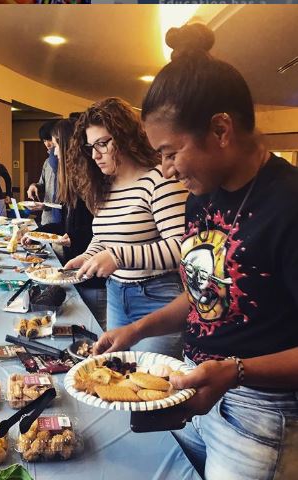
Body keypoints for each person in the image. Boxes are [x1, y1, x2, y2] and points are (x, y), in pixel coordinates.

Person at [93, 24, 298, 480]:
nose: (165, 172)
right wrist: (136, 330)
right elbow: (205, 292)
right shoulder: (204, 196)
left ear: (220, 129)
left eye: (170, 153)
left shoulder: (287, 206)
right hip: (193, 389)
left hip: (258, 419)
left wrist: (235, 371)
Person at [65, 97, 188, 357]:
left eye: (102, 143)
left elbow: (182, 247)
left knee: (150, 386)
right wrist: (88, 256)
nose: (96, 154)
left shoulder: (159, 181)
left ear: (125, 138)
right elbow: (104, 238)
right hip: (116, 294)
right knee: (120, 378)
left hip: (158, 298)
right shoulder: (104, 187)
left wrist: (119, 257)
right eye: (90, 147)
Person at [23, 118, 107, 328]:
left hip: (93, 281)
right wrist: (36, 233)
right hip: (77, 273)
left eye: (57, 146)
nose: (55, 153)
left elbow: (99, 233)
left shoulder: (89, 187)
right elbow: (67, 227)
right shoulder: (73, 186)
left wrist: (74, 239)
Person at [26, 119, 62, 225]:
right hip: (46, 218)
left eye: (49, 139)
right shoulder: (47, 162)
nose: (47, 144)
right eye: (44, 140)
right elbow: (42, 184)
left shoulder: (68, 163)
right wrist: (34, 186)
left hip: (62, 219)